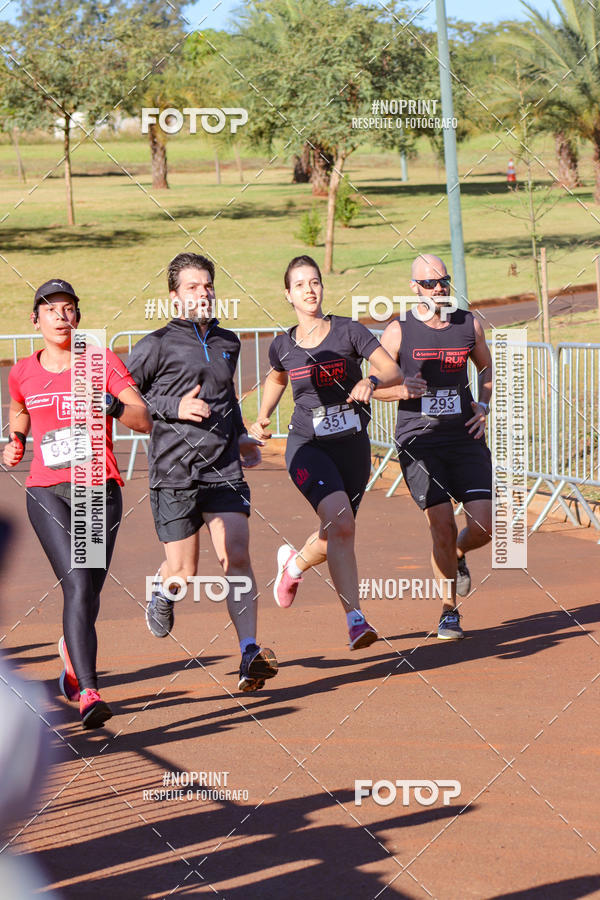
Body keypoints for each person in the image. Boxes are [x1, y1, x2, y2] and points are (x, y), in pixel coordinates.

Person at [3, 279, 152, 728]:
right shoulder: (22, 370)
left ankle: (71, 658)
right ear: (36, 319)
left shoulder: (99, 361)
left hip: (95, 487)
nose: (61, 317)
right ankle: (88, 690)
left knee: (88, 591)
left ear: (78, 318)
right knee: (77, 584)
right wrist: (16, 438)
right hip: (46, 488)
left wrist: (108, 402)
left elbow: (142, 418)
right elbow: (20, 406)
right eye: (52, 310)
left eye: (69, 309)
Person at [126, 252, 278, 693]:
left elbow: (225, 400)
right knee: (185, 573)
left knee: (237, 554)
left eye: (208, 285)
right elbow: (124, 398)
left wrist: (242, 436)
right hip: (174, 470)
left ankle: (250, 651)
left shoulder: (229, 341)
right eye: (193, 287)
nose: (203, 292)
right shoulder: (154, 345)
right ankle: (163, 592)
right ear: (174, 297)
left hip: (223, 467)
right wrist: (174, 406)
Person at [250, 255, 402, 650]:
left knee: (337, 529)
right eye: (300, 284)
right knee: (342, 523)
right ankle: (355, 619)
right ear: (288, 295)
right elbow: (277, 377)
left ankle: (293, 564)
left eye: (314, 281)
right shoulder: (283, 344)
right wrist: (262, 416)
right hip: (308, 445)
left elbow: (391, 370)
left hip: (352, 445)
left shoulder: (349, 331)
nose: (309, 289)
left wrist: (369, 380)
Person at [374, 254, 493, 640]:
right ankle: (448, 611)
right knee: (441, 523)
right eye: (429, 283)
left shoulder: (468, 324)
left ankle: (458, 554)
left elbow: (486, 367)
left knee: (485, 526)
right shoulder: (398, 331)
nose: (438, 288)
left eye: (443, 281)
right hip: (419, 441)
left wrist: (485, 404)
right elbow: (371, 385)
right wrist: (401, 390)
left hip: (464, 436)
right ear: (414, 288)